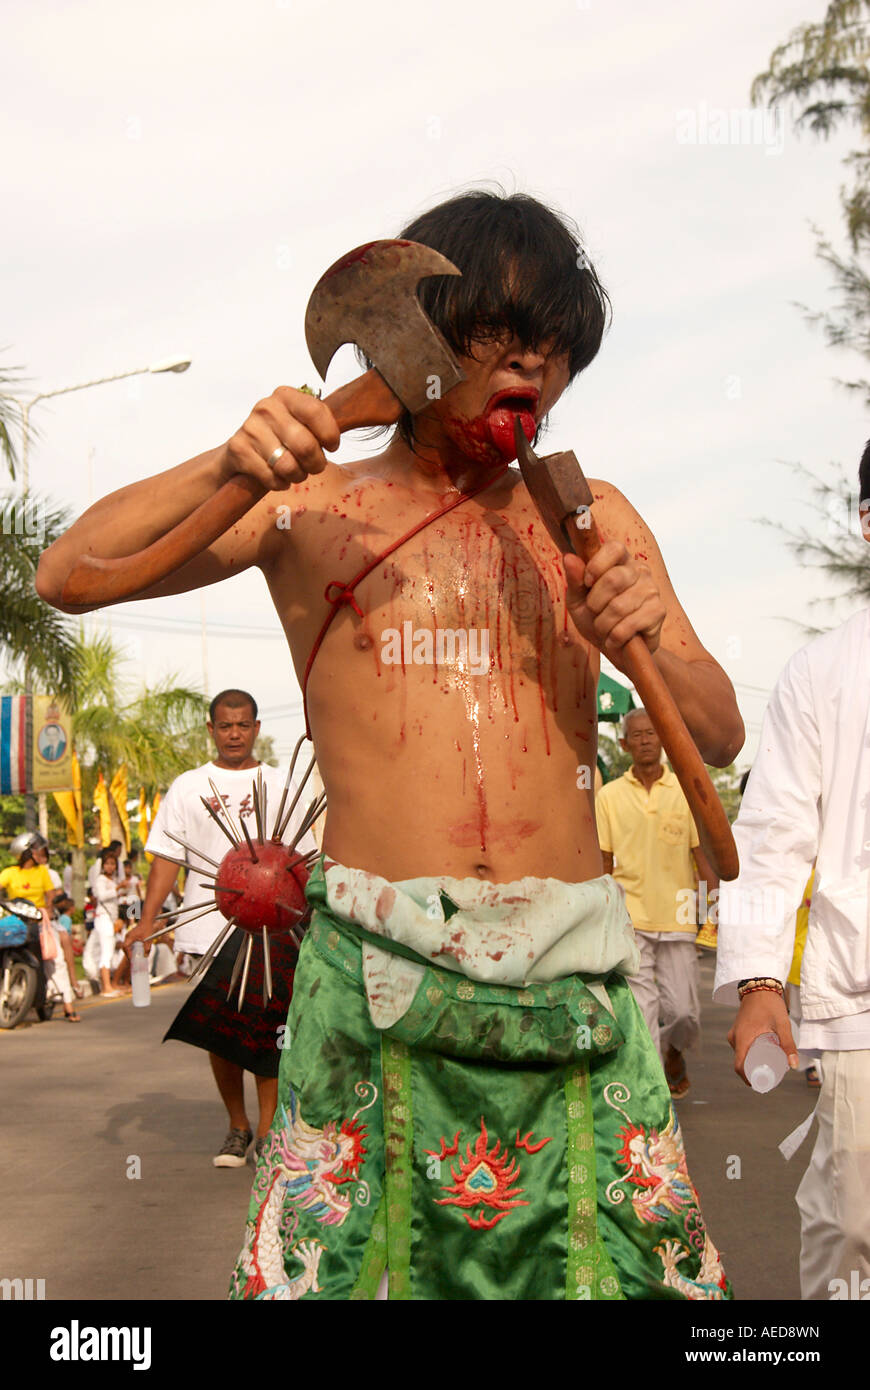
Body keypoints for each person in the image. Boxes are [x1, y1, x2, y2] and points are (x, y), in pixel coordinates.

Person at [38, 190, 743, 1301]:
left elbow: (716, 726)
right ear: (421, 337)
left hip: (580, 992)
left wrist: (648, 624)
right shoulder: (308, 504)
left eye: (555, 350)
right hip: (371, 977)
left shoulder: (592, 517)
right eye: (501, 337)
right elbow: (70, 573)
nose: (534, 370)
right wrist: (235, 458)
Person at [716, 440, 870, 1303]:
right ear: (868, 525)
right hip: (859, 1006)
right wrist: (758, 981)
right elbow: (773, 832)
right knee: (853, 1234)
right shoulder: (823, 671)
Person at [124, 690, 316, 1167]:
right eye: (225, 726)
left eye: (243, 725)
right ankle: (237, 1125)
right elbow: (168, 857)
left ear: (256, 727)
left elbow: (302, 858)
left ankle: (270, 1129)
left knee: (269, 1027)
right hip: (208, 927)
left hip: (272, 928)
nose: (234, 733)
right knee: (220, 1030)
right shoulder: (189, 787)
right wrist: (147, 921)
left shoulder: (281, 783)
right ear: (211, 729)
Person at [596, 708, 719, 1099]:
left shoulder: (686, 791)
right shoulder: (609, 796)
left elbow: (703, 859)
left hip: (678, 916)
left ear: (663, 739)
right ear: (624, 744)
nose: (647, 740)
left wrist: (715, 912)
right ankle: (653, 1096)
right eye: (638, 734)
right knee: (642, 1012)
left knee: (684, 1012)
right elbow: (603, 864)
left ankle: (674, 1051)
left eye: (653, 733)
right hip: (630, 918)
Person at [92, 848, 124, 998]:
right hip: (103, 917)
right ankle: (106, 987)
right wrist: (117, 889)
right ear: (103, 865)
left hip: (111, 918)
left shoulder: (114, 881)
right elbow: (101, 896)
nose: (110, 867)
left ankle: (111, 984)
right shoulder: (101, 880)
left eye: (113, 864)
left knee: (110, 951)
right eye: (108, 864)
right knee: (106, 951)